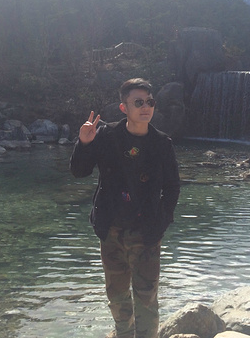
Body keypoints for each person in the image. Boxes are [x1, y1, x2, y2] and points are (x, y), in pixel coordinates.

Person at [70, 78, 181, 338]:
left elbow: (172, 188)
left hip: (146, 232)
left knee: (147, 297)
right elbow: (79, 171)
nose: (146, 107)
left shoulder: (162, 143)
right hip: (111, 230)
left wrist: (161, 222)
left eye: (150, 102)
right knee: (117, 295)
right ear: (124, 107)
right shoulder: (107, 135)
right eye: (138, 102)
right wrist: (84, 143)